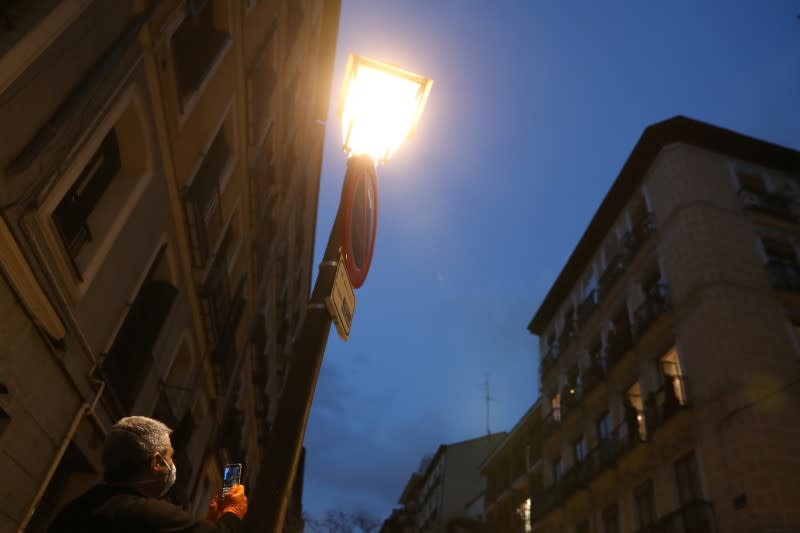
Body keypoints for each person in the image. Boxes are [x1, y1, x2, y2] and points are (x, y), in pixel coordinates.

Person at [48, 416, 248, 532]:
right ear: (156, 462)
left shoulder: (78, 507)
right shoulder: (147, 515)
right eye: (170, 458)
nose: (173, 465)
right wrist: (231, 489)